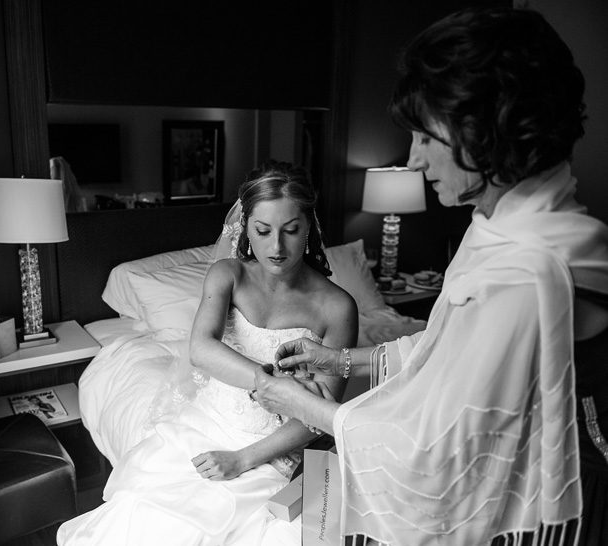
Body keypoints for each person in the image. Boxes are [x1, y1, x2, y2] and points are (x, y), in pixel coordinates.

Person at [253, 7, 608, 545]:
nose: (415, 159)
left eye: (425, 135)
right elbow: (452, 350)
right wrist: (341, 360)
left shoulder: (530, 271)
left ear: (484, 130)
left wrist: (301, 405)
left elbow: (435, 452)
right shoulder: (498, 226)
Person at [56, 161, 357, 545]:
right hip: (206, 426)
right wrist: (271, 382)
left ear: (309, 226)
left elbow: (321, 414)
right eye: (263, 231)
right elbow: (200, 349)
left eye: (291, 230)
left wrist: (244, 459)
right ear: (246, 227)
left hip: (278, 448)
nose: (276, 247)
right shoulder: (228, 275)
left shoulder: (338, 307)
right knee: (154, 520)